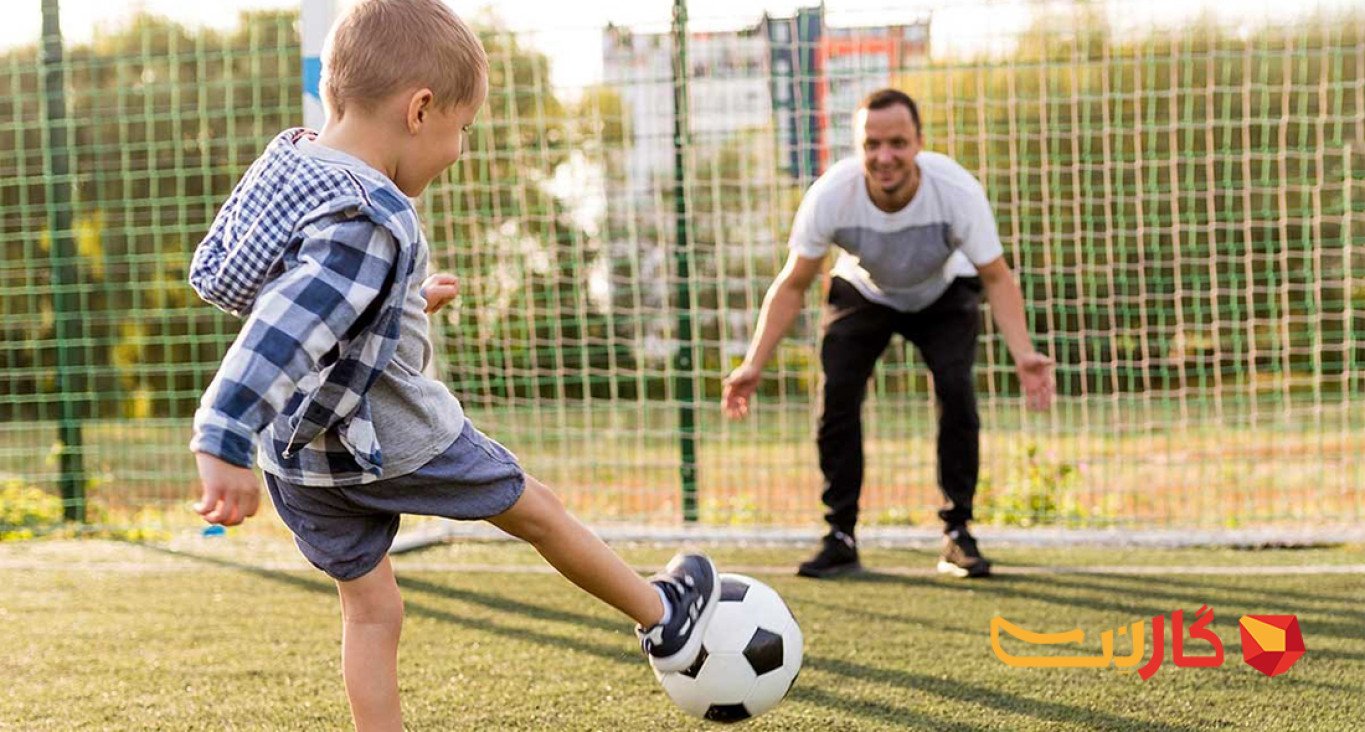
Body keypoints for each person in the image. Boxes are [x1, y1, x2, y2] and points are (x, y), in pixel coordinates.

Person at [185, 2, 717, 729]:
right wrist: (220, 437)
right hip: (391, 438)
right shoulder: (367, 218)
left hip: (302, 465)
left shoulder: (293, 167)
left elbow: (249, 280)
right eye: (461, 130)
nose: (458, 148)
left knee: (371, 611)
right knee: (538, 512)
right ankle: (663, 616)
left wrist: (396, 299)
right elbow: (278, 333)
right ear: (420, 109)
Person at [722, 88, 1054, 580]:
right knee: (836, 397)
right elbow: (793, 284)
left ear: (919, 142)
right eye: (871, 144)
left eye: (897, 143)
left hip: (942, 291)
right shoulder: (832, 195)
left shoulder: (956, 191)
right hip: (864, 290)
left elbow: (997, 277)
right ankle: (840, 535)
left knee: (957, 392)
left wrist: (1024, 353)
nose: (884, 157)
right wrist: (753, 363)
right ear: (858, 146)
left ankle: (958, 532)